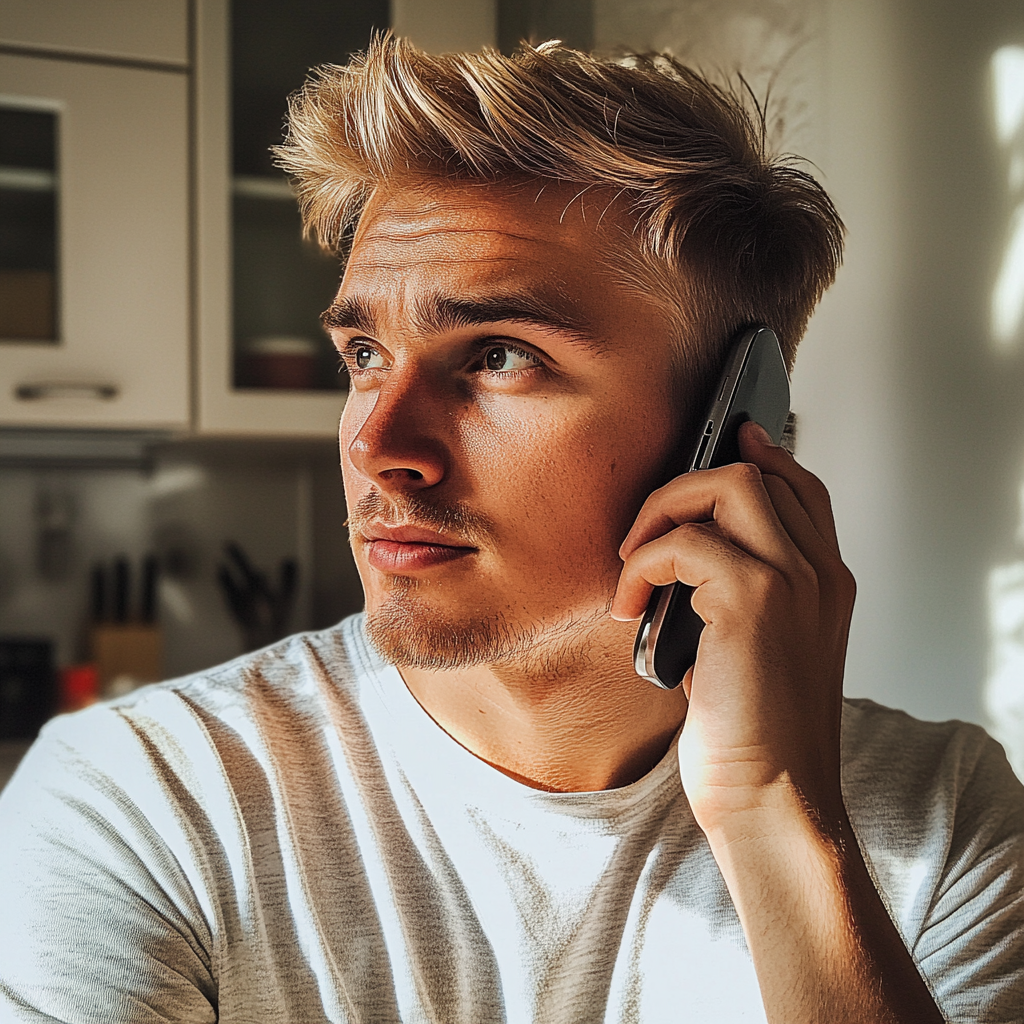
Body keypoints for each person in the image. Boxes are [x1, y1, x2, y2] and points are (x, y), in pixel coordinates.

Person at [1, 35, 1022, 1023]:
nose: (378, 443)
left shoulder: (941, 816)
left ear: (731, 425)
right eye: (363, 351)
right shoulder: (137, 799)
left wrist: (774, 816)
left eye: (496, 355)